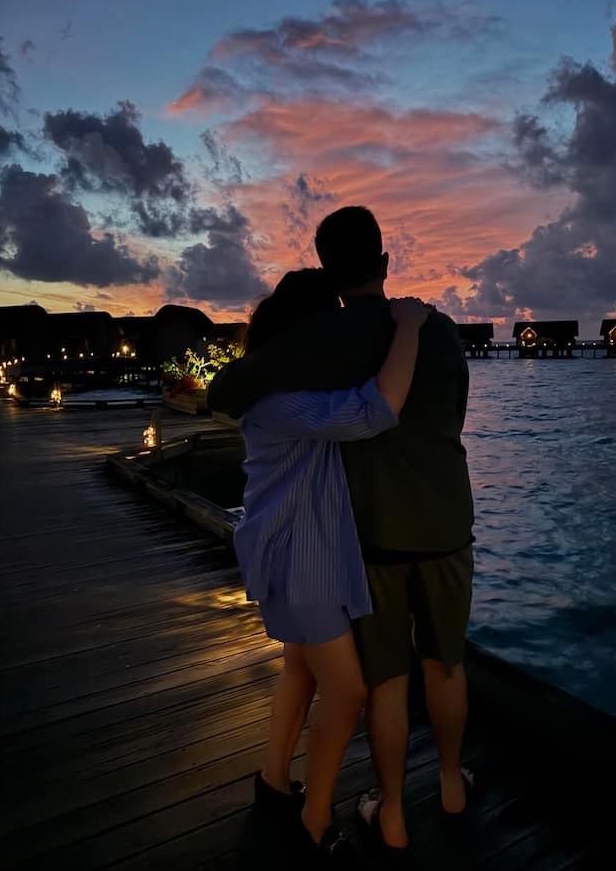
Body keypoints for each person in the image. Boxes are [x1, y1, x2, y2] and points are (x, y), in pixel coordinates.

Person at [210, 207, 475, 855]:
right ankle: (449, 784)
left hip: (371, 535)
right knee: (445, 664)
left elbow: (237, 385)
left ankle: (389, 815)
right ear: (384, 263)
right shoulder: (436, 332)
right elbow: (434, 415)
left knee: (382, 680)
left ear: (329, 271)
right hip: (444, 524)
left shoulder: (326, 340)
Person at [230, 266, 432, 862]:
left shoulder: (277, 389)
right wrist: (411, 328)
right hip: (300, 559)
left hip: (293, 549)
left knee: (302, 669)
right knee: (347, 691)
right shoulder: (286, 401)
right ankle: (315, 821)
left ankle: (272, 783)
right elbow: (378, 410)